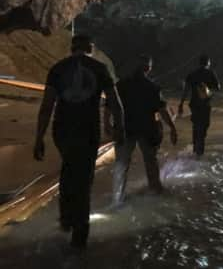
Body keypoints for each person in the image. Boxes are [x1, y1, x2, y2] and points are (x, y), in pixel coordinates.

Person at [33, 35, 124, 249]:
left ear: (72, 48)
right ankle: (79, 235)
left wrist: (39, 138)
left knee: (68, 168)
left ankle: (66, 218)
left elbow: (47, 106)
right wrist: (120, 130)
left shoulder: (57, 68)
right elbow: (116, 104)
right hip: (87, 130)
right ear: (90, 48)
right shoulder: (100, 68)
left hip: (62, 130)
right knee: (84, 179)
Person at [108, 55, 178, 206]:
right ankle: (155, 191)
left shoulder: (121, 85)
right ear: (148, 68)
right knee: (150, 162)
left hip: (125, 128)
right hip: (147, 130)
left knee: (122, 164)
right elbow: (162, 110)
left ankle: (118, 198)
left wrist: (107, 125)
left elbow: (109, 105)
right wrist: (172, 128)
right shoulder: (152, 87)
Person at [178, 55, 220, 158]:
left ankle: (195, 147)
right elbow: (218, 87)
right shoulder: (210, 73)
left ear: (199, 63)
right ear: (208, 63)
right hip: (205, 104)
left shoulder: (192, 74)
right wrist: (208, 89)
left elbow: (186, 90)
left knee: (196, 125)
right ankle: (199, 152)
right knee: (204, 126)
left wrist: (181, 104)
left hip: (194, 104)